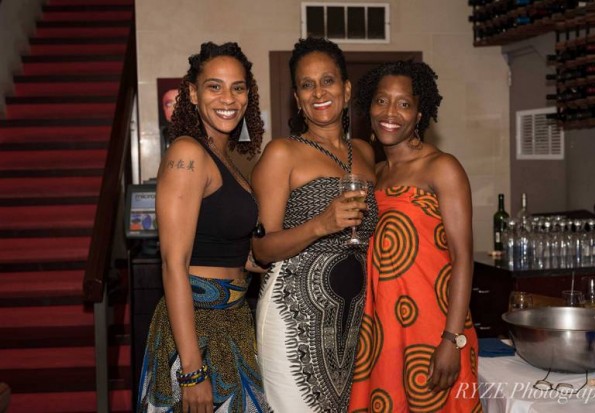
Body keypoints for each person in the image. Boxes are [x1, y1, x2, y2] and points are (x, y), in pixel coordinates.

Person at [137, 41, 269, 413]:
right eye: (214, 86)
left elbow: (217, 239)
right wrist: (192, 370)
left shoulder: (224, 157)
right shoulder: (188, 153)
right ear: (193, 94)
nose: (228, 98)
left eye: (238, 87)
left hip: (234, 319)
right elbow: (173, 265)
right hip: (196, 327)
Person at [251, 37, 378, 412]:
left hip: (353, 318)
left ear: (346, 89)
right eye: (307, 85)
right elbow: (261, 248)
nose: (319, 92)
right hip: (293, 313)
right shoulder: (282, 153)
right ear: (297, 97)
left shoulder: (365, 152)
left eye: (328, 81)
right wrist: (321, 224)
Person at [348, 60, 482, 412]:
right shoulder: (374, 175)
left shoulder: (442, 168)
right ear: (369, 107)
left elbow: (463, 259)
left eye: (404, 103)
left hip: (434, 328)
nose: (390, 112)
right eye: (381, 100)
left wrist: (452, 339)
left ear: (419, 114)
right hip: (383, 331)